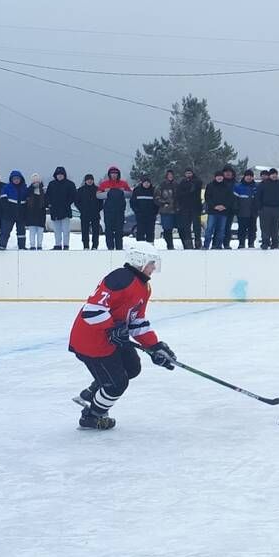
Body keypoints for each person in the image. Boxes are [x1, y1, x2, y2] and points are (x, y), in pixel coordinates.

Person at [67, 244, 176, 430]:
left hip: (112, 338)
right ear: (140, 262)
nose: (154, 268)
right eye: (151, 263)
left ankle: (92, 392)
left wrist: (155, 346)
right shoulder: (120, 279)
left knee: (132, 367)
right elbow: (91, 310)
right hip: (92, 341)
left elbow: (136, 320)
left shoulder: (144, 286)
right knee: (116, 384)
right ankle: (92, 416)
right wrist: (112, 328)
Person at [100, 166, 131, 251]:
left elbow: (130, 194)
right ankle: (110, 246)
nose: (114, 175)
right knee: (108, 230)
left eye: (115, 174)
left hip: (120, 210)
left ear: (118, 174)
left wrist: (121, 192)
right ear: (109, 174)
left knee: (119, 230)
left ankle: (119, 247)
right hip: (108, 211)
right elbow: (98, 195)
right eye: (112, 173)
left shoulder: (123, 183)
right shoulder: (104, 184)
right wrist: (108, 192)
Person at [46, 167, 77, 250]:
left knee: (66, 230)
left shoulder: (70, 184)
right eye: (58, 174)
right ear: (55, 175)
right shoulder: (51, 184)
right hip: (55, 210)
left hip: (65, 210)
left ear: (64, 175)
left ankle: (66, 245)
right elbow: (47, 196)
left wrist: (67, 203)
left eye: (61, 174)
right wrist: (49, 204)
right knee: (57, 230)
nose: (59, 176)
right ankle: (58, 245)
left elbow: (73, 196)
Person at [0, 171, 28, 250]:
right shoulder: (6, 188)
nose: (16, 180)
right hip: (9, 214)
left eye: (18, 178)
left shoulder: (25, 188)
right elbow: (3, 200)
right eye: (14, 179)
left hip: (21, 214)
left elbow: (28, 201)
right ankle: (2, 246)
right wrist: (7, 210)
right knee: (5, 231)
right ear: (11, 179)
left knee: (21, 232)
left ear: (21, 179)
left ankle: (22, 247)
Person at [176, 167, 204, 249]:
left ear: (192, 173)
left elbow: (196, 188)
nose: (188, 175)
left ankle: (198, 243)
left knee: (197, 226)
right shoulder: (182, 182)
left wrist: (187, 191)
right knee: (186, 227)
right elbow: (179, 194)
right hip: (185, 208)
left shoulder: (197, 181)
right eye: (187, 173)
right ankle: (188, 243)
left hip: (195, 207)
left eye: (190, 173)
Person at [256, 169, 279, 249]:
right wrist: (260, 208)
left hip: (277, 208)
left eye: (275, 174)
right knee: (265, 227)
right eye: (272, 174)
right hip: (265, 208)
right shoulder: (263, 184)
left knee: (275, 227)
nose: (274, 176)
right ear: (269, 175)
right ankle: (265, 242)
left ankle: (275, 243)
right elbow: (258, 197)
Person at [232, 170, 258, 248]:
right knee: (242, 229)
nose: (249, 177)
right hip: (242, 212)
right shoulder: (238, 186)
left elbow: (258, 199)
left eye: (251, 176)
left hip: (253, 212)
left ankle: (251, 243)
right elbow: (235, 199)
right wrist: (236, 209)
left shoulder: (256, 186)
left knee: (253, 229)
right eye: (247, 176)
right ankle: (241, 243)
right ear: (244, 176)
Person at [76, 174, 102, 250]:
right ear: (85, 181)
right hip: (84, 214)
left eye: (91, 179)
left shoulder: (98, 189)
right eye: (88, 180)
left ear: (93, 180)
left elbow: (101, 202)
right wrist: (81, 209)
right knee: (84, 231)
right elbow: (77, 202)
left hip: (95, 213)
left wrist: (98, 209)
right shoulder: (81, 190)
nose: (89, 181)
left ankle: (95, 245)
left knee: (96, 231)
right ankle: (86, 245)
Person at [23, 173, 48, 250]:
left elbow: (46, 202)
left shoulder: (43, 191)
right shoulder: (28, 190)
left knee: (40, 232)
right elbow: (25, 200)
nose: (36, 183)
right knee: (32, 232)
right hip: (31, 214)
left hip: (41, 214)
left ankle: (39, 245)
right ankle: (32, 245)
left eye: (37, 181)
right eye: (34, 182)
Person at [131, 177, 158, 244]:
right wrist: (137, 211)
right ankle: (140, 247)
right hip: (140, 216)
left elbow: (157, 203)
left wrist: (155, 212)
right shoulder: (137, 190)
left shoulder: (153, 191)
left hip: (151, 216)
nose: (146, 184)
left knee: (150, 232)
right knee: (140, 232)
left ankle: (151, 247)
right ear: (142, 183)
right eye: (145, 182)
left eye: (148, 182)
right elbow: (133, 202)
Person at [157, 170, 179, 250]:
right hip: (166, 211)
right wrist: (163, 203)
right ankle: (170, 245)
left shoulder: (177, 185)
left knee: (180, 228)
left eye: (171, 175)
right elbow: (156, 197)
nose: (170, 176)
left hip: (176, 211)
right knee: (167, 229)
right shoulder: (162, 185)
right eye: (169, 175)